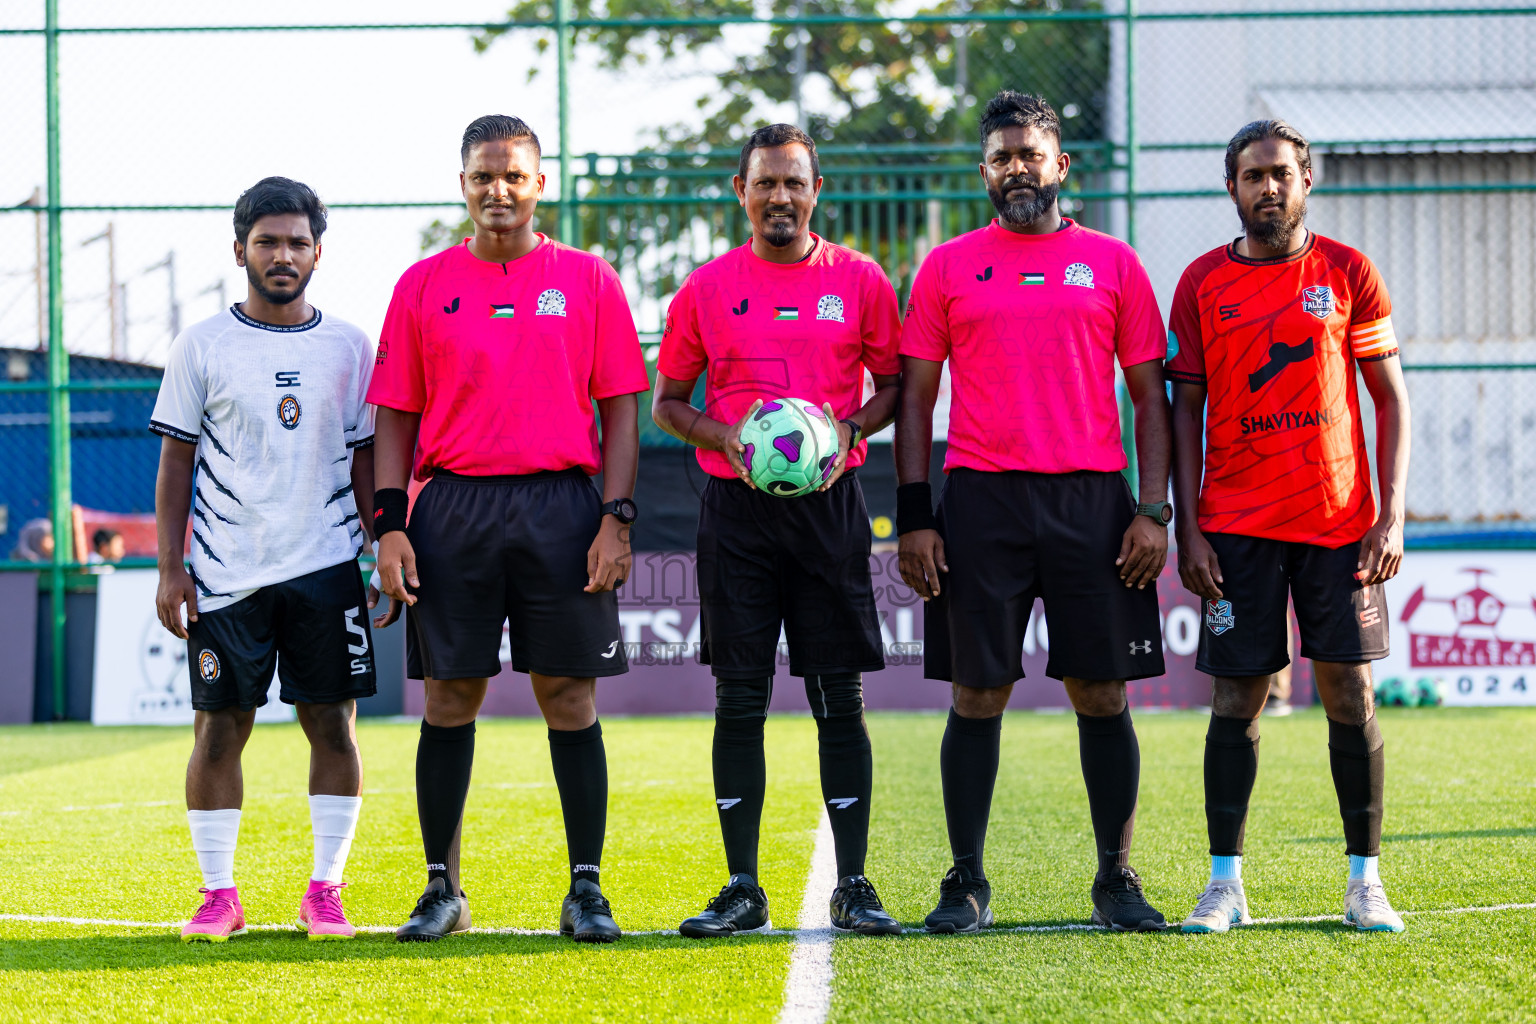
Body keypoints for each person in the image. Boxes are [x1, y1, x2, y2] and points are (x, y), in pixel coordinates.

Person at [896, 92, 1174, 934]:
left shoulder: (1115, 263)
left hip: (1093, 500)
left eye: (1031, 153)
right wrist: (916, 515)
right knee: (977, 694)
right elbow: (914, 399)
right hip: (982, 499)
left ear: (1061, 165)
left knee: (1101, 690)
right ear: (985, 174)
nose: (1018, 168)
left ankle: (1116, 878)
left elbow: (1150, 400)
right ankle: (966, 880)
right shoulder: (947, 266)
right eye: (1002, 157)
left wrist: (1153, 512)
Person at [370, 114, 648, 944]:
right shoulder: (422, 285)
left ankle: (587, 889)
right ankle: (440, 889)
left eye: (514, 176)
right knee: (451, 696)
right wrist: (389, 525)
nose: (499, 190)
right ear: (463, 185)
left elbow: (622, 410)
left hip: (562, 508)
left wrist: (615, 518)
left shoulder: (589, 280)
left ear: (539, 184)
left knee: (568, 695)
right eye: (483, 176)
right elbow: (394, 417)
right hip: (452, 507)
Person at [652, 123, 904, 937]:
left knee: (839, 694)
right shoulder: (705, 289)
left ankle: (855, 882)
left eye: (794, 183)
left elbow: (894, 385)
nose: (780, 198)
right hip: (737, 513)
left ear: (815, 192)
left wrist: (849, 433)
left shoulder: (861, 281)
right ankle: (741, 887)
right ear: (741, 193)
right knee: (740, 697)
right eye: (765, 183)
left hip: (828, 507)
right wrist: (723, 438)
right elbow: (667, 402)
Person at [1167, 120, 1411, 934]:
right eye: (1251, 176)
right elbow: (1185, 409)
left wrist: (1391, 513)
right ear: (1230, 188)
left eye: (1280, 173)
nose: (1267, 188)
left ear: (1307, 179)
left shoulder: (1348, 273)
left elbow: (1389, 401)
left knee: (1350, 690)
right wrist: (1189, 529)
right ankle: (1224, 884)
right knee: (1236, 696)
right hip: (1235, 524)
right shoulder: (1201, 283)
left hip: (1339, 522)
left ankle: (1364, 881)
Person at [151, 177, 378, 942]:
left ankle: (326, 890)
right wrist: (170, 567)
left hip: (326, 563)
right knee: (219, 730)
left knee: (333, 727)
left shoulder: (350, 345)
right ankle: (220, 896)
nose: (283, 255)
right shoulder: (202, 343)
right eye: (268, 242)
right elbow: (175, 463)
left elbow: (364, 460)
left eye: (297, 242)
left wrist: (379, 549)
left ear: (319, 250)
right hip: (225, 571)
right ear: (240, 246)